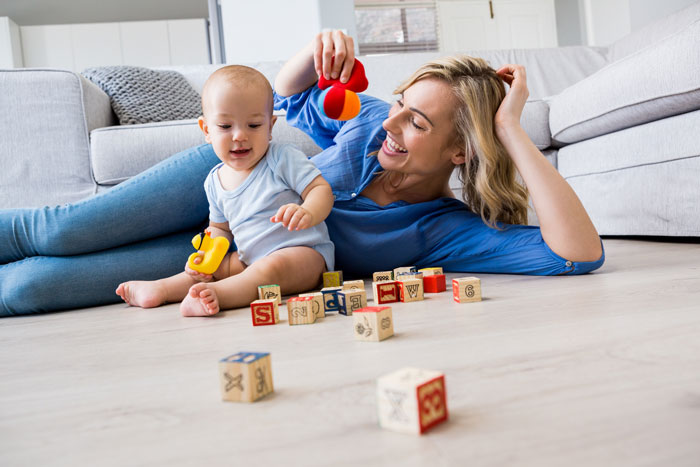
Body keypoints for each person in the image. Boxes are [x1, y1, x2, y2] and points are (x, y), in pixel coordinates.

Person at [0, 31, 604, 317]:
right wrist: (317, 51)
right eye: (399, 103)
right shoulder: (369, 124)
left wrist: (509, 131)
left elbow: (579, 255)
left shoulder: (441, 230)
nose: (392, 124)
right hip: (221, 182)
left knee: (34, 290)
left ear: (460, 152)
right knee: (59, 231)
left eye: (417, 123)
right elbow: (287, 96)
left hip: (238, 255)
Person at [116, 65, 335, 316]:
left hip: (304, 257)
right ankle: (162, 289)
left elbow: (320, 189)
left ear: (270, 127)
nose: (240, 135)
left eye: (253, 125)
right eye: (225, 126)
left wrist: (308, 211)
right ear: (207, 130)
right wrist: (205, 256)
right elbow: (221, 229)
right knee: (214, 269)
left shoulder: (282, 158)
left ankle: (220, 295)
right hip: (248, 260)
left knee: (270, 268)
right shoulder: (214, 181)